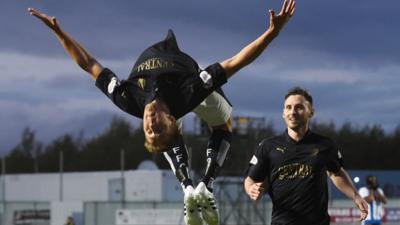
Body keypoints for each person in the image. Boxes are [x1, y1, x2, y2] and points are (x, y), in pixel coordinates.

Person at [28, 1, 295, 224]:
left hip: (177, 90)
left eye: (148, 129)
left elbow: (88, 64)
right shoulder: (188, 93)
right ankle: (204, 185)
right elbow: (236, 62)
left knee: (195, 131)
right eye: (158, 127)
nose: (150, 122)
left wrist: (59, 33)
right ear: (172, 121)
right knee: (224, 124)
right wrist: (272, 33)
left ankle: (191, 188)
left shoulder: (127, 99)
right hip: (193, 90)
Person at [244, 87, 369, 225]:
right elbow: (251, 179)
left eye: (299, 107)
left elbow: (336, 173)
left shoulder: (324, 145)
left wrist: (356, 196)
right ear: (283, 113)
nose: (292, 112)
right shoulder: (268, 146)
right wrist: (251, 189)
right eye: (288, 107)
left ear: (311, 112)